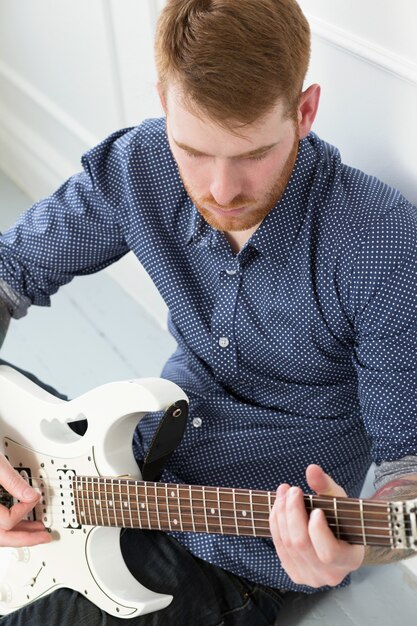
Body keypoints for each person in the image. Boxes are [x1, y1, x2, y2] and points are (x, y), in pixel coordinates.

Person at [0, 0, 417, 623]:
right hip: (127, 455)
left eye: (252, 155)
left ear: (304, 112)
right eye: (193, 150)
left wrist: (360, 548)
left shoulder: (379, 245)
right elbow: (10, 270)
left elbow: (406, 472)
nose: (221, 191)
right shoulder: (141, 166)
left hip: (238, 552)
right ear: (164, 103)